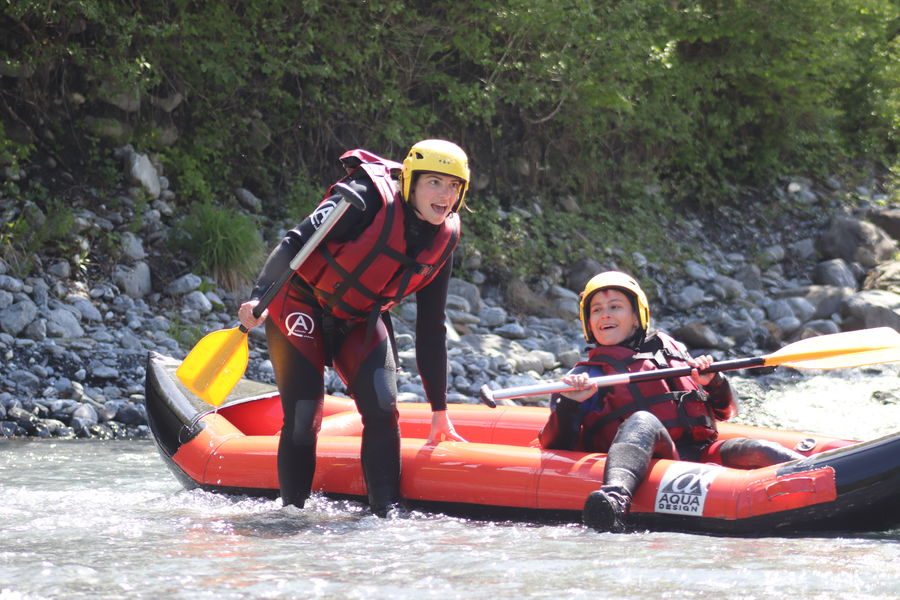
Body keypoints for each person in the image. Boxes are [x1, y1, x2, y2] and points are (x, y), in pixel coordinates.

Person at [238, 139, 470, 516]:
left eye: (454, 187)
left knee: (382, 408)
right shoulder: (364, 198)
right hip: (301, 302)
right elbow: (294, 241)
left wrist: (439, 410)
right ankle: (290, 516)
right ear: (410, 181)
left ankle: (385, 517)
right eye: (434, 183)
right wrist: (258, 296)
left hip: (359, 317)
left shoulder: (444, 238)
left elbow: (431, 328)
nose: (445, 196)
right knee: (303, 416)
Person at [538, 271, 804, 532]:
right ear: (588, 323)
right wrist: (570, 403)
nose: (604, 314)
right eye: (596, 310)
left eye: (615, 306)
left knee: (758, 449)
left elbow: (726, 411)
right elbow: (557, 446)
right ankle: (614, 499)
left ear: (636, 318)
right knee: (644, 420)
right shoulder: (589, 376)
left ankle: (817, 472)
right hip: (652, 460)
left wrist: (713, 381)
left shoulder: (670, 351)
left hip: (700, 452)